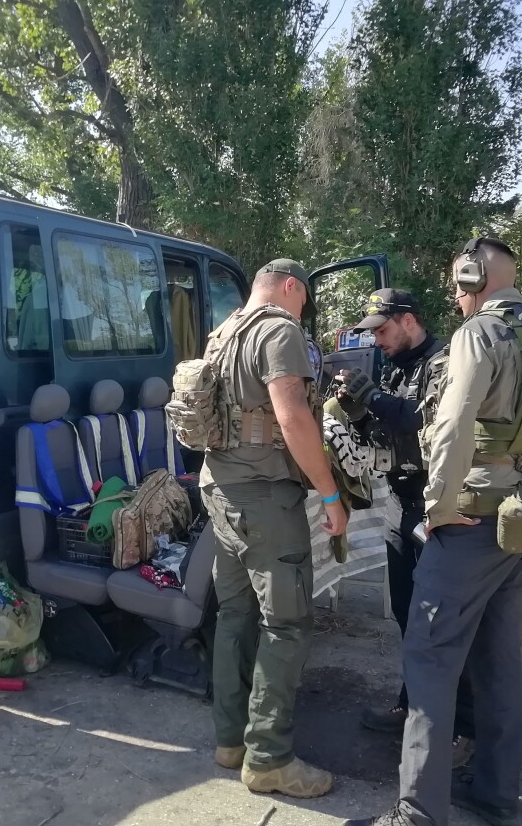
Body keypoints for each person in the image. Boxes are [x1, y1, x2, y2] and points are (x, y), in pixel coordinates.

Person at [346, 238, 522, 826]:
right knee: (499, 663)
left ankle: (417, 813)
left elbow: (452, 424)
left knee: (430, 661)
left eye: (457, 284)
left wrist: (437, 506)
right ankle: (494, 793)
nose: (455, 295)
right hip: (519, 520)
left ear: (472, 277)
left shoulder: (478, 335)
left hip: (468, 522)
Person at [202, 259, 347, 798]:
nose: (302, 311)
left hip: (220, 490)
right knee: (286, 624)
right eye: (303, 299)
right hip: (264, 498)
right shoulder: (279, 331)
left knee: (234, 615)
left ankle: (230, 742)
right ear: (290, 287)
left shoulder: (224, 332)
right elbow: (293, 417)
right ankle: (269, 759)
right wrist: (329, 493)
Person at [332, 290, 474, 758]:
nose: (376, 339)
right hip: (399, 503)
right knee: (407, 615)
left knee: (444, 623)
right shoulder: (396, 366)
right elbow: (384, 431)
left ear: (408, 320)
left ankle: (462, 729)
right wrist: (357, 411)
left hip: (435, 509)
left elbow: (420, 419)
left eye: (382, 329)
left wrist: (371, 396)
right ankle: (411, 705)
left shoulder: (445, 362)